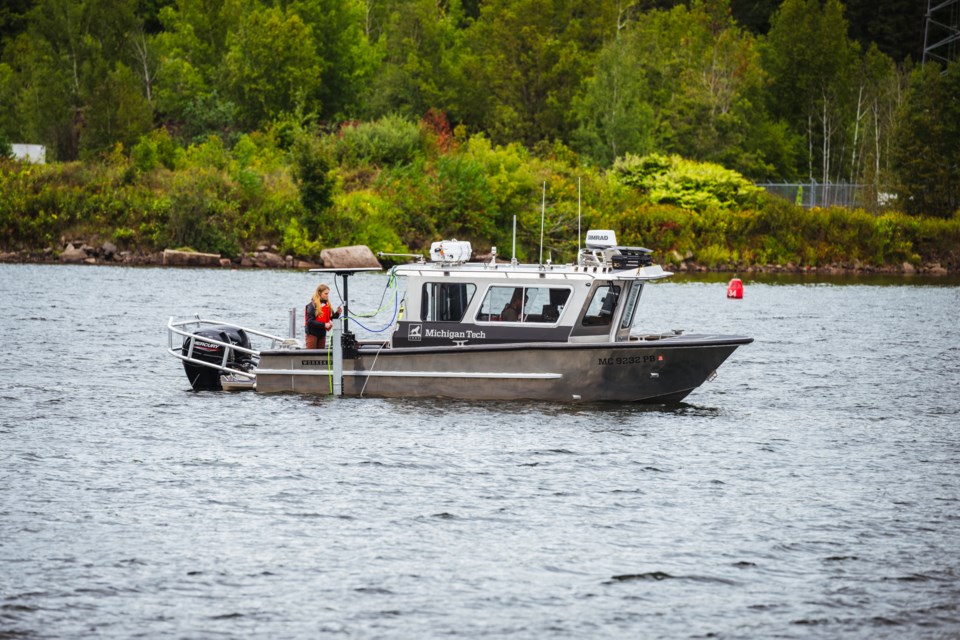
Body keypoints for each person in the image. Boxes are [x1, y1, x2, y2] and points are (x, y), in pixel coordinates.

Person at [305, 283, 342, 349]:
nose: (327, 296)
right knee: (311, 355)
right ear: (319, 293)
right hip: (312, 334)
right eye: (325, 294)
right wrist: (324, 325)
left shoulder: (327, 305)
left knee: (320, 355)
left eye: (328, 294)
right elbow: (309, 321)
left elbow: (333, 318)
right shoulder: (312, 305)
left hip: (322, 334)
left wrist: (338, 313)